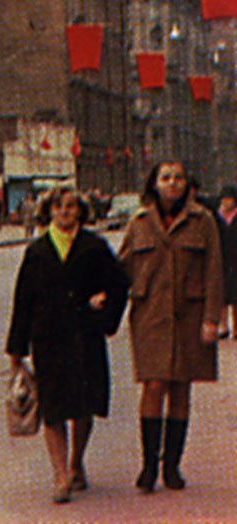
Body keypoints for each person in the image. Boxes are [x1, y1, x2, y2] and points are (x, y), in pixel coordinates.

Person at [6, 186, 129, 504]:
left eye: (71, 206)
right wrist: (16, 350)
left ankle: (76, 462)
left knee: (84, 406)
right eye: (59, 206)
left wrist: (104, 306)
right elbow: (23, 301)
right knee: (53, 409)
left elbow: (119, 284)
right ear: (49, 211)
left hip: (84, 337)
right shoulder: (37, 251)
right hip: (49, 340)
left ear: (80, 211)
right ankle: (60, 475)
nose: (64, 211)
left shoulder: (94, 247)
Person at [119, 160, 224, 493]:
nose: (172, 183)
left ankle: (172, 466)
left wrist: (212, 318)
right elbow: (121, 266)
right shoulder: (138, 223)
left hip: (189, 316)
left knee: (181, 388)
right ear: (154, 183)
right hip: (150, 315)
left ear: (187, 184)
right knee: (152, 386)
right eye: (165, 177)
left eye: (178, 177)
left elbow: (214, 270)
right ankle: (149, 465)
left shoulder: (203, 221)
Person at [214, 185, 237, 340]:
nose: (227, 202)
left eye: (230, 199)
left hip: (236, 259)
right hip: (219, 258)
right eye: (224, 199)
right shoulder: (215, 217)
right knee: (221, 296)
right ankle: (223, 326)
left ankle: (236, 328)